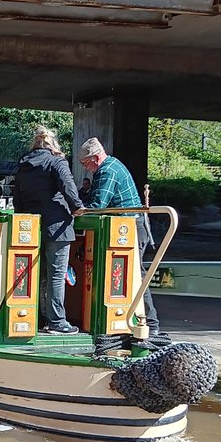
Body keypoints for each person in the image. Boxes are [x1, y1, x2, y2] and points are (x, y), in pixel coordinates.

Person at [77, 137, 162, 338]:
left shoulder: (107, 171)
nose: (86, 168)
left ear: (96, 158)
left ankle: (150, 322)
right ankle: (131, 320)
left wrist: (76, 209)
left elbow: (98, 206)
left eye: (85, 164)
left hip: (128, 227)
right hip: (128, 226)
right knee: (132, 276)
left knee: (136, 276)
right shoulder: (110, 166)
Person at [12, 127, 83, 335]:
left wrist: (25, 219)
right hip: (57, 226)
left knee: (40, 275)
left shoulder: (24, 166)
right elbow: (68, 187)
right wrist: (77, 207)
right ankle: (57, 322)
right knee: (57, 275)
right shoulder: (56, 161)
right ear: (53, 143)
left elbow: (18, 198)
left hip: (32, 227)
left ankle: (41, 317)